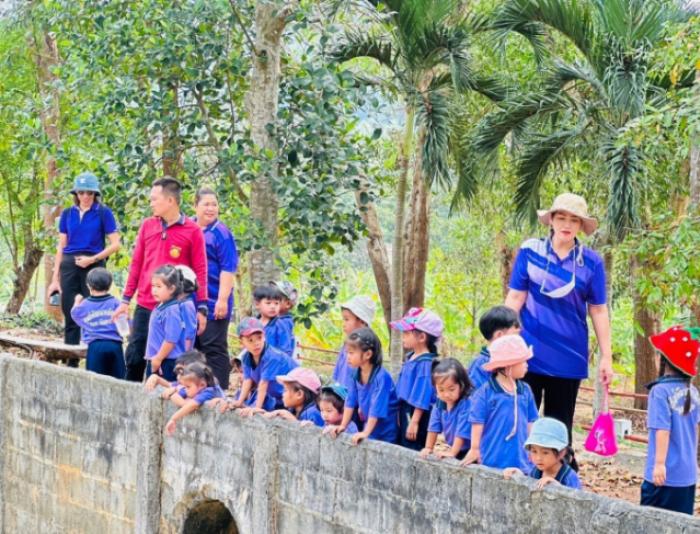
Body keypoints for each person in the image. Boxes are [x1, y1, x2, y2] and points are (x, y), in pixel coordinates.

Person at [505, 193, 612, 442]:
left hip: (569, 357)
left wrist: (606, 356)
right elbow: (515, 298)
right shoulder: (530, 251)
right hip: (526, 355)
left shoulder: (592, 262)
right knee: (520, 423)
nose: (567, 225)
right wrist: (502, 340)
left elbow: (598, 310)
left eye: (574, 220)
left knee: (559, 430)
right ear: (551, 220)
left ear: (581, 226)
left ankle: (560, 467)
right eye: (561, 218)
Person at [114, 177, 208, 382]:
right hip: (146, 304)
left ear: (170, 201)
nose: (151, 203)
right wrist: (125, 300)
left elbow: (200, 270)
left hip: (175, 309)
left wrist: (201, 308)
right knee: (135, 358)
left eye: (154, 199)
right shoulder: (147, 226)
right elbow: (136, 264)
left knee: (168, 363)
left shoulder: (193, 230)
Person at [47, 172, 120, 366]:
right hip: (69, 265)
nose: (85, 196)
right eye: (81, 192)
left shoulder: (103, 213)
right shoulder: (67, 214)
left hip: (93, 265)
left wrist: (92, 259)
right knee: (71, 314)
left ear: (95, 194)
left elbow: (115, 244)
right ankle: (70, 365)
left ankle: (94, 363)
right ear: (76, 194)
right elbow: (61, 246)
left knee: (94, 313)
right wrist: (55, 279)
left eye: (89, 193)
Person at [641, 325, 700, 515]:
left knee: (648, 523)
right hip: (687, 475)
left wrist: (659, 464)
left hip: (663, 476)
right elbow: (696, 429)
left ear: (663, 359)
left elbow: (662, 430)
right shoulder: (693, 391)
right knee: (679, 524)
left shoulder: (659, 392)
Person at [462, 334, 539, 471]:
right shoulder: (485, 392)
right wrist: (474, 449)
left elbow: (530, 421)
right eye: (523, 362)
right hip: (493, 456)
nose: (527, 366)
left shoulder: (525, 391)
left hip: (521, 458)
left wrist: (533, 447)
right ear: (508, 366)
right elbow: (477, 421)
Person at [193, 187, 238, 389]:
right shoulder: (190, 227)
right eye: (206, 204)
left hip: (214, 300)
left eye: (214, 204)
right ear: (195, 206)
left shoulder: (222, 234)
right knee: (193, 348)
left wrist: (222, 300)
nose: (210, 208)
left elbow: (228, 269)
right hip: (192, 300)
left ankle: (220, 391)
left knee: (214, 347)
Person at [325, 327, 399, 445]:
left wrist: (365, 432)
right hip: (368, 426)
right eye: (347, 353)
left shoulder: (381, 378)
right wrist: (343, 425)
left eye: (351, 353)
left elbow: (376, 408)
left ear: (367, 354)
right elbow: (350, 400)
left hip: (385, 431)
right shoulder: (355, 373)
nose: (347, 356)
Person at [390, 307, 442, 450]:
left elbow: (422, 393)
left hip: (416, 412)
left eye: (407, 333)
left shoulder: (425, 363)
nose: (403, 337)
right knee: (402, 444)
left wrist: (414, 421)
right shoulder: (412, 358)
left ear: (422, 337)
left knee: (412, 446)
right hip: (405, 409)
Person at [221, 317, 298, 412]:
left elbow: (263, 383)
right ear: (242, 342)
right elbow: (247, 380)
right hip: (279, 397)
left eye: (259, 338)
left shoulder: (272, 356)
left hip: (295, 395)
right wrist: (239, 402)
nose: (256, 343)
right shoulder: (246, 357)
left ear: (264, 337)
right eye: (250, 340)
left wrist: (256, 408)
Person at [70, 268, 125, 379]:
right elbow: (125, 324)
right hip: (115, 346)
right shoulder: (116, 303)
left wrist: (76, 302)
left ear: (89, 286)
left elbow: (74, 313)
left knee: (95, 381)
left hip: (95, 347)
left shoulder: (85, 304)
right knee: (118, 381)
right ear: (109, 285)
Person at [503, 417, 581, 489]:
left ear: (561, 453)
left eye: (545, 453)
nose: (538, 458)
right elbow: (529, 484)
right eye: (534, 451)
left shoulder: (568, 477)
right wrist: (518, 475)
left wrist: (558, 487)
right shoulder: (535, 471)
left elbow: (577, 497)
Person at [144, 265, 191, 382]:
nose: (154, 290)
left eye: (159, 286)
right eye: (153, 286)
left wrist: (158, 358)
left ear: (172, 289)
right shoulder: (161, 306)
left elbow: (171, 339)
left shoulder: (172, 310)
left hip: (166, 361)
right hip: (157, 359)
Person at [420, 358, 473, 460]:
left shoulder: (466, 404)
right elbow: (433, 427)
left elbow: (461, 432)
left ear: (462, 385)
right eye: (441, 390)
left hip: (469, 450)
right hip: (453, 447)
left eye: (451, 389)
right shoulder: (440, 403)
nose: (446, 394)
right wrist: (428, 447)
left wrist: (452, 452)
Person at [468, 306, 521, 390]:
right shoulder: (481, 364)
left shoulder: (511, 360)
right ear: (499, 335)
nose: (518, 339)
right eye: (516, 335)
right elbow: (475, 393)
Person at [164, 362, 223, 435]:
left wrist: (173, 419)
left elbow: (192, 405)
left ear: (202, 385)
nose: (185, 389)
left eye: (188, 387)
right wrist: (185, 404)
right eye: (184, 386)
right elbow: (173, 396)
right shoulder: (192, 388)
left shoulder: (209, 391)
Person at [332, 296, 376, 389]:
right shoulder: (346, 345)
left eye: (347, 319)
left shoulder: (366, 349)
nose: (344, 324)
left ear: (362, 322)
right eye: (343, 319)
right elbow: (337, 373)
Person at [253, 285, 294, 357]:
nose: (273, 307)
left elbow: (285, 350)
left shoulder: (281, 325)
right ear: (257, 304)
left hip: (275, 361)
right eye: (268, 303)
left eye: (276, 303)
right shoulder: (253, 324)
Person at [144, 349, 208, 392]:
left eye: (182, 372)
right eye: (178, 372)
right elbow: (168, 384)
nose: (178, 377)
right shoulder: (180, 384)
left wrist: (174, 391)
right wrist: (155, 377)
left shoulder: (205, 390)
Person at [270, 281, 297, 360]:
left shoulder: (283, 323)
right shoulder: (273, 320)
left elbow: (285, 350)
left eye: (276, 299)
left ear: (287, 304)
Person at [175, 265, 198, 351]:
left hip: (180, 352)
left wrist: (185, 354)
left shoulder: (186, 305)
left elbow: (189, 332)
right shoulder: (177, 304)